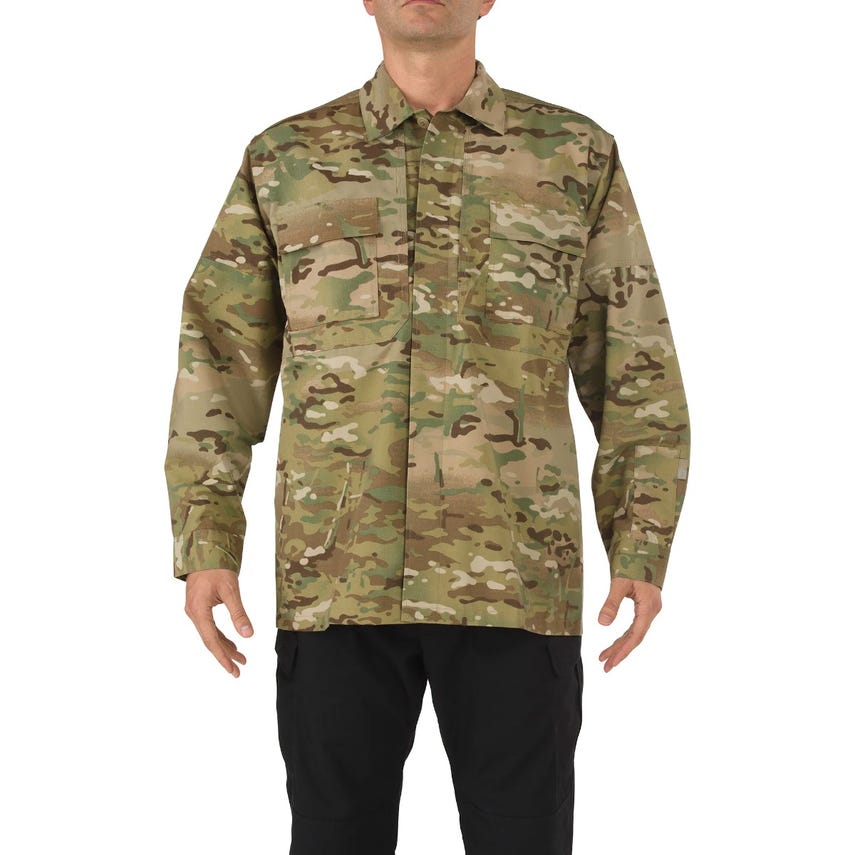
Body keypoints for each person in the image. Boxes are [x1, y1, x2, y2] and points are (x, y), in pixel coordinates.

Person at [163, 1, 690, 852]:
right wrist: (207, 537)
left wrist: (641, 542)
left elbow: (636, 369)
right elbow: (219, 359)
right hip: (336, 579)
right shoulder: (286, 160)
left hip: (517, 583)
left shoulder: (572, 155)